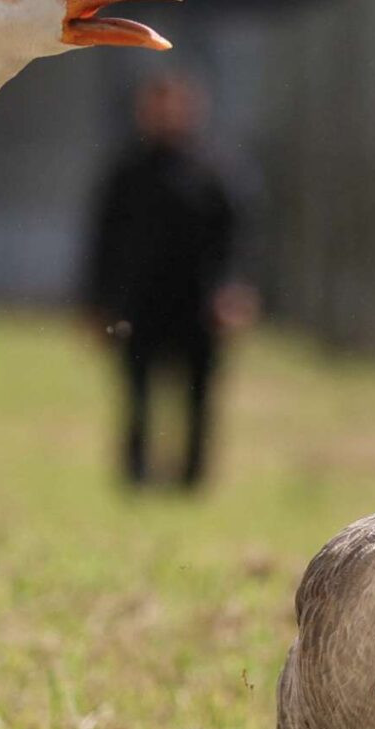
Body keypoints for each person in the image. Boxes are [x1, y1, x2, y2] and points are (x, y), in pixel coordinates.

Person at [83, 73, 252, 489]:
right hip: (139, 305)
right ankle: (136, 476)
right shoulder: (125, 173)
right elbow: (101, 240)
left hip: (198, 305)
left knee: (198, 397)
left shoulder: (217, 171)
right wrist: (95, 301)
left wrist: (233, 291)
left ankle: (191, 479)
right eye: (156, 105)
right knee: (137, 396)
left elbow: (238, 238)